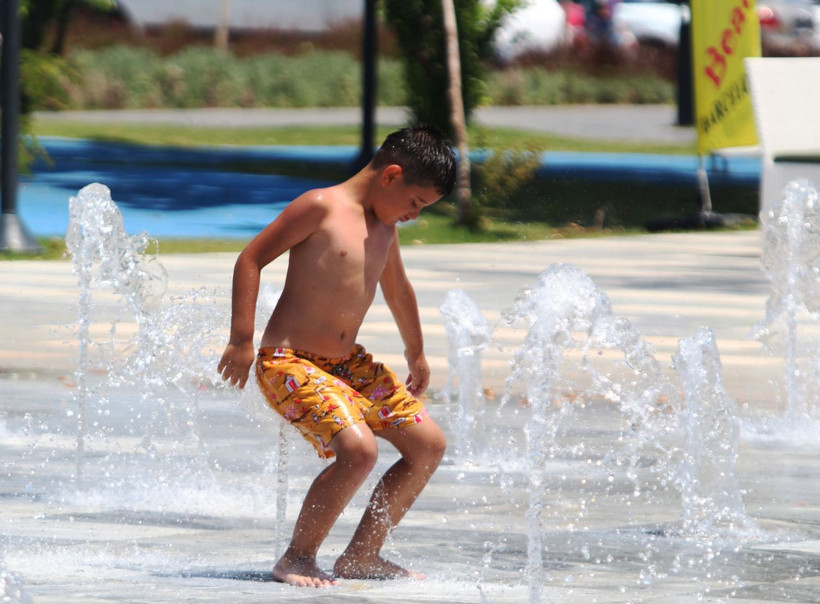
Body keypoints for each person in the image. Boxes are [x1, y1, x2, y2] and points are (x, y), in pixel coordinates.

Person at [217, 125, 456, 588]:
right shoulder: (320, 207)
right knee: (359, 451)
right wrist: (241, 338)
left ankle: (362, 555)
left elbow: (398, 290)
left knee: (428, 445)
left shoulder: (384, 228)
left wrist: (418, 351)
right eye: (416, 203)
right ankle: (298, 557)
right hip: (290, 362)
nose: (413, 215)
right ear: (391, 175)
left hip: (347, 363)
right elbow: (250, 258)